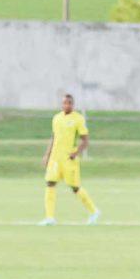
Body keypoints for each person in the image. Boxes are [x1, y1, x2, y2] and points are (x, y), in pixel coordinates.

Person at [40, 94, 100, 226]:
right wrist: (47, 155)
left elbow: (85, 141)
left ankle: (94, 211)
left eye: (69, 103)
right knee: (50, 183)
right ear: (62, 104)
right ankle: (50, 217)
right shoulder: (56, 118)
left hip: (68, 159)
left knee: (75, 187)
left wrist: (76, 153)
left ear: (73, 105)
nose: (66, 105)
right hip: (55, 159)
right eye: (64, 103)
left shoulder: (78, 119)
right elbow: (54, 137)